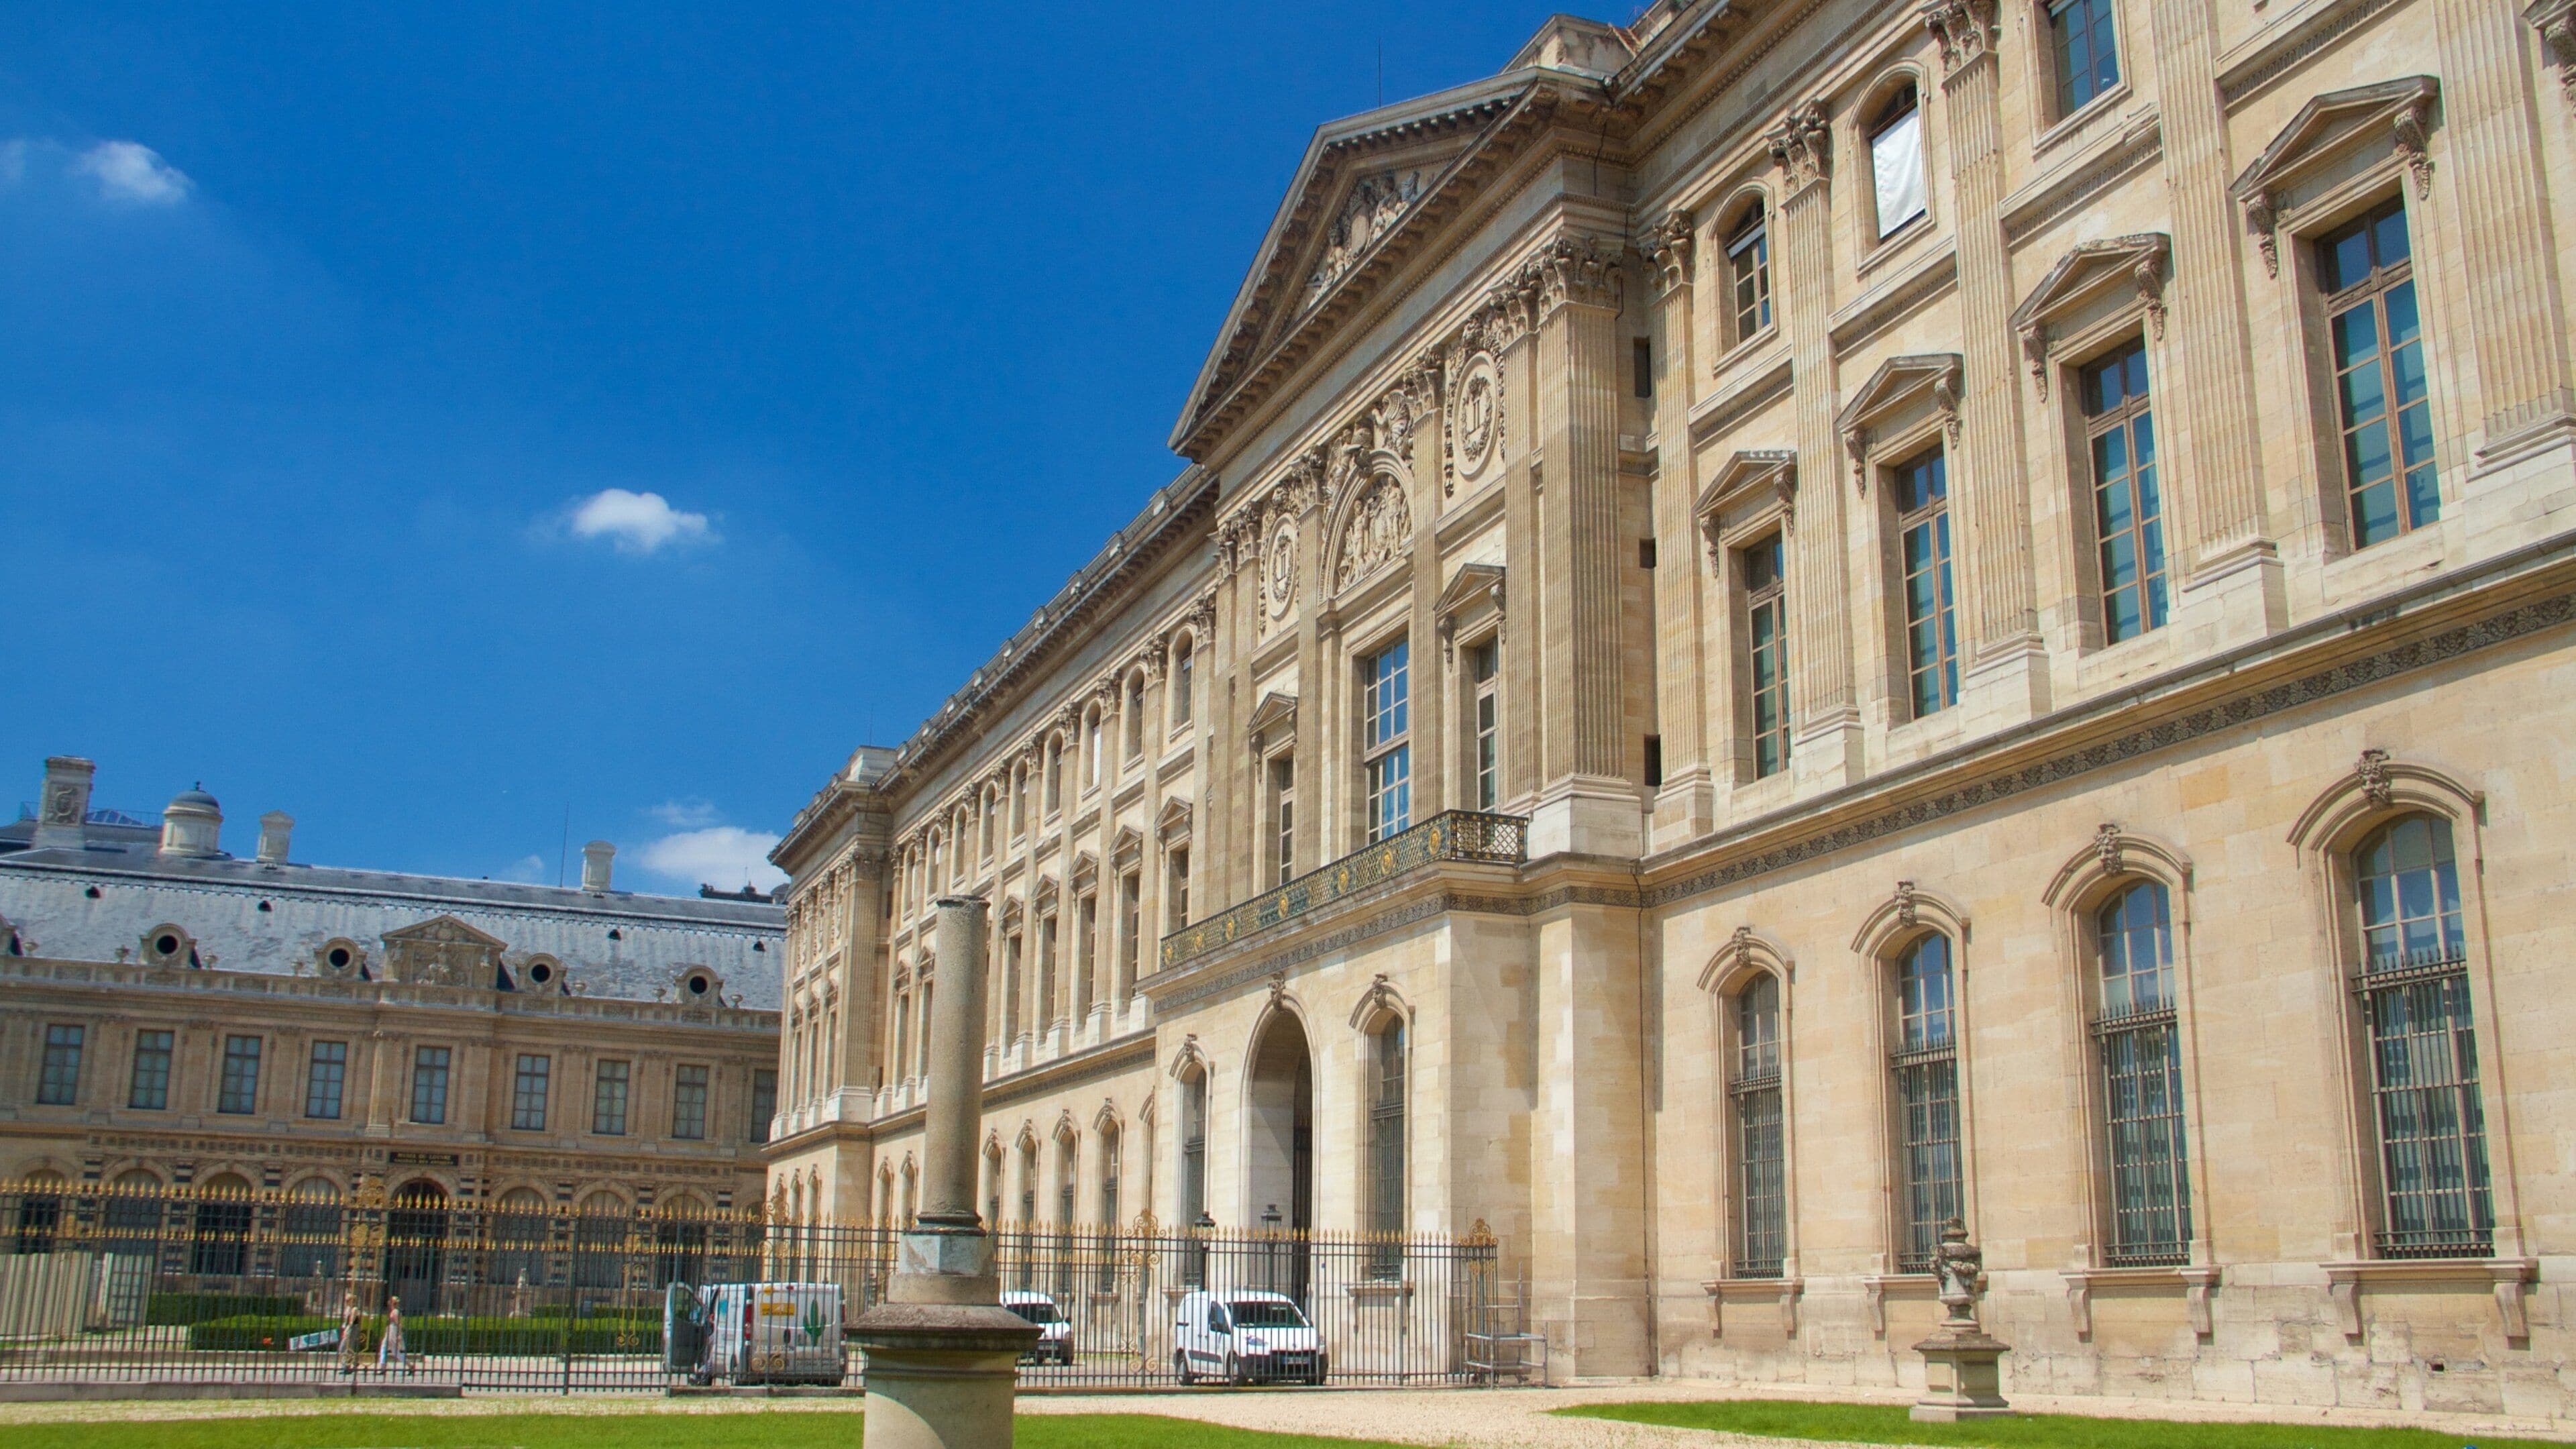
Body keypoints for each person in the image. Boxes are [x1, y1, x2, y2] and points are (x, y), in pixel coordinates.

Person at [377, 1295, 407, 1374]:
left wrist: (399, 1334)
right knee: (385, 1348)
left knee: (393, 1351)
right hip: (391, 1330)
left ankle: (383, 1367)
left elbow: (399, 1324)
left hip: (393, 1331)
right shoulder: (394, 1311)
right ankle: (383, 1366)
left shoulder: (395, 1312)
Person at [337, 1292, 361, 1375]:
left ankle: (347, 1367)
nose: (346, 1302)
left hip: (352, 1329)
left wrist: (346, 1330)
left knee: (345, 1348)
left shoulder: (354, 1309)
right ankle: (351, 1364)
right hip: (348, 1329)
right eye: (346, 1300)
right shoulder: (348, 1308)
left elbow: (351, 1322)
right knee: (345, 1348)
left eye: (347, 1300)